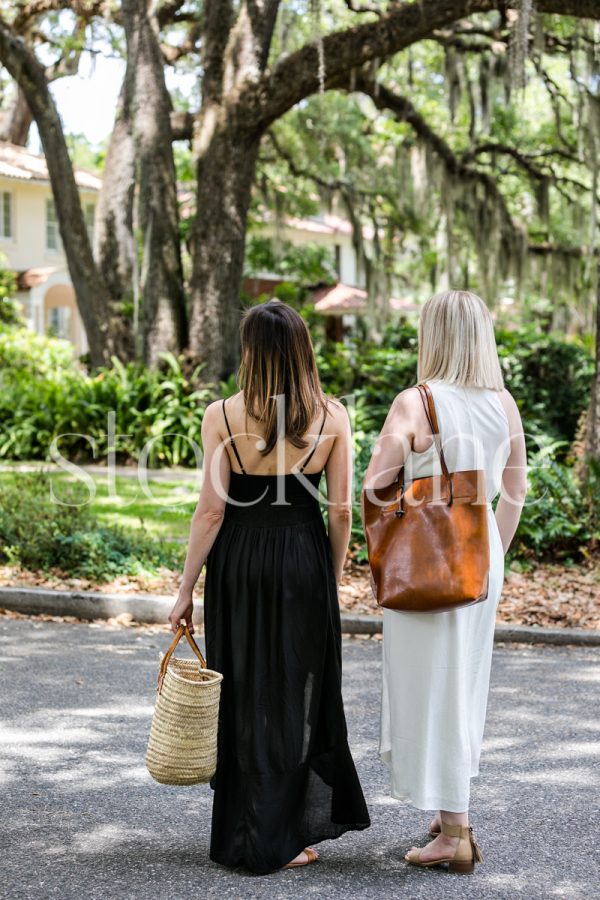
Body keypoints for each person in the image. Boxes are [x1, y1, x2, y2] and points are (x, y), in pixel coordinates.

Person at [168, 299, 370, 875]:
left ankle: (246, 830)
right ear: (304, 349)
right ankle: (286, 832)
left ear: (250, 353)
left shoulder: (222, 416)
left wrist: (185, 590)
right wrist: (327, 580)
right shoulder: (333, 417)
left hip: (239, 563)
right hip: (304, 562)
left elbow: (209, 514)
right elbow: (341, 513)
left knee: (241, 686)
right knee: (295, 691)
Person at [362, 289, 527, 875]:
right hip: (481, 558)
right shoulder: (502, 403)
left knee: (428, 688)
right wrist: (488, 555)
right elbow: (514, 492)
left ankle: (455, 832)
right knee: (463, 685)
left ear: (432, 337)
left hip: (427, 561)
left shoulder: (416, 403)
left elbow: (374, 485)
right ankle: (448, 806)